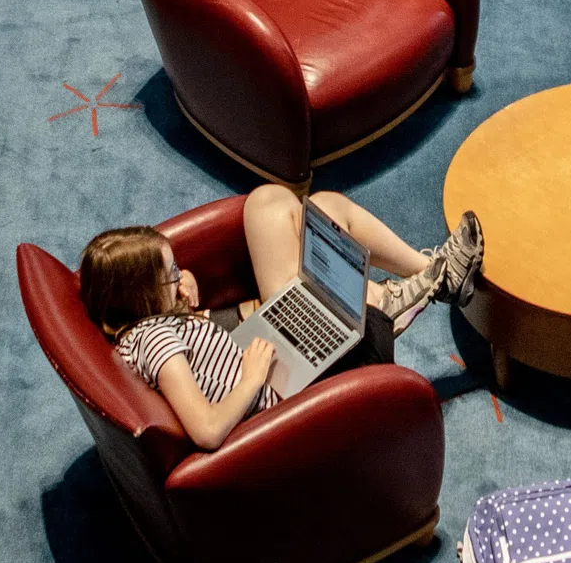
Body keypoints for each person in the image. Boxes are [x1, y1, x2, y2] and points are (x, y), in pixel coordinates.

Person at [80, 186, 484, 450]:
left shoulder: (138, 330)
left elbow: (200, 352)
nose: (182, 276)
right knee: (349, 285)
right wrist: (254, 376)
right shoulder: (158, 343)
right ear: (145, 295)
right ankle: (407, 292)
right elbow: (206, 431)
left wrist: (181, 304)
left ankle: (425, 277)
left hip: (266, 350)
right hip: (294, 394)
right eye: (170, 274)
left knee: (303, 207)